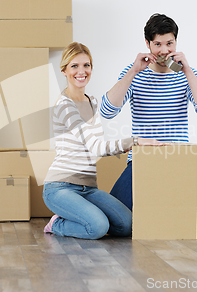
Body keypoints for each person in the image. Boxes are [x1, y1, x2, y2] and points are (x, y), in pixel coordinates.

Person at [100, 13, 197, 228]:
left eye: (169, 43)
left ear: (176, 42)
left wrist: (187, 71)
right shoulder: (134, 73)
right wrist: (134, 71)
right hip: (142, 159)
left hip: (178, 158)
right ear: (148, 44)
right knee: (117, 219)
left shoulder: (186, 74)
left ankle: (162, 215)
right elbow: (107, 111)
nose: (164, 50)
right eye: (158, 44)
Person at [43, 42, 165, 239]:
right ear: (64, 70)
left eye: (86, 65)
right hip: (60, 187)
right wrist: (135, 141)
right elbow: (97, 147)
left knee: (127, 225)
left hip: (88, 188)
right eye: (74, 66)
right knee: (98, 227)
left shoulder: (92, 101)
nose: (81, 71)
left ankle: (83, 217)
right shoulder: (65, 106)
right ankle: (57, 224)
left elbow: (97, 144)